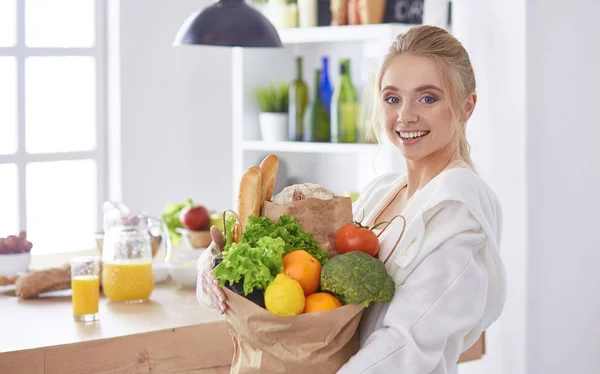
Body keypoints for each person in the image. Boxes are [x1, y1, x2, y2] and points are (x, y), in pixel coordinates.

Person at [196, 25, 506, 374]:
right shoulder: (379, 193)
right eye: (393, 98)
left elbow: (405, 348)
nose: (405, 115)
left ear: (467, 107)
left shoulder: (459, 218)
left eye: (428, 97)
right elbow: (303, 269)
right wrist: (216, 268)